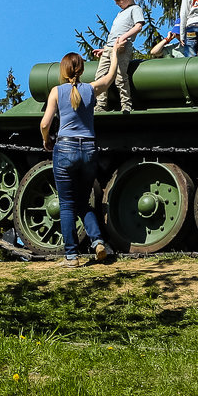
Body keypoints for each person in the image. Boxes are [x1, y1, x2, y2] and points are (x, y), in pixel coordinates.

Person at [40, 42, 121, 267]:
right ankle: (97, 242)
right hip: (88, 149)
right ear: (82, 70)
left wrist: (46, 139)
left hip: (65, 149)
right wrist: (114, 53)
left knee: (66, 204)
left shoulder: (56, 91)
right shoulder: (90, 89)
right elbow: (110, 77)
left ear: (63, 71)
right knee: (83, 202)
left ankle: (72, 256)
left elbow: (45, 123)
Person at [92, 0, 145, 113]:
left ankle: (126, 104)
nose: (117, 3)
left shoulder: (135, 9)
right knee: (100, 75)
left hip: (122, 46)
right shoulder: (120, 13)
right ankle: (101, 104)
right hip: (110, 47)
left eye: (119, 0)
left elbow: (138, 26)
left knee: (121, 76)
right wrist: (104, 49)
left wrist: (124, 37)